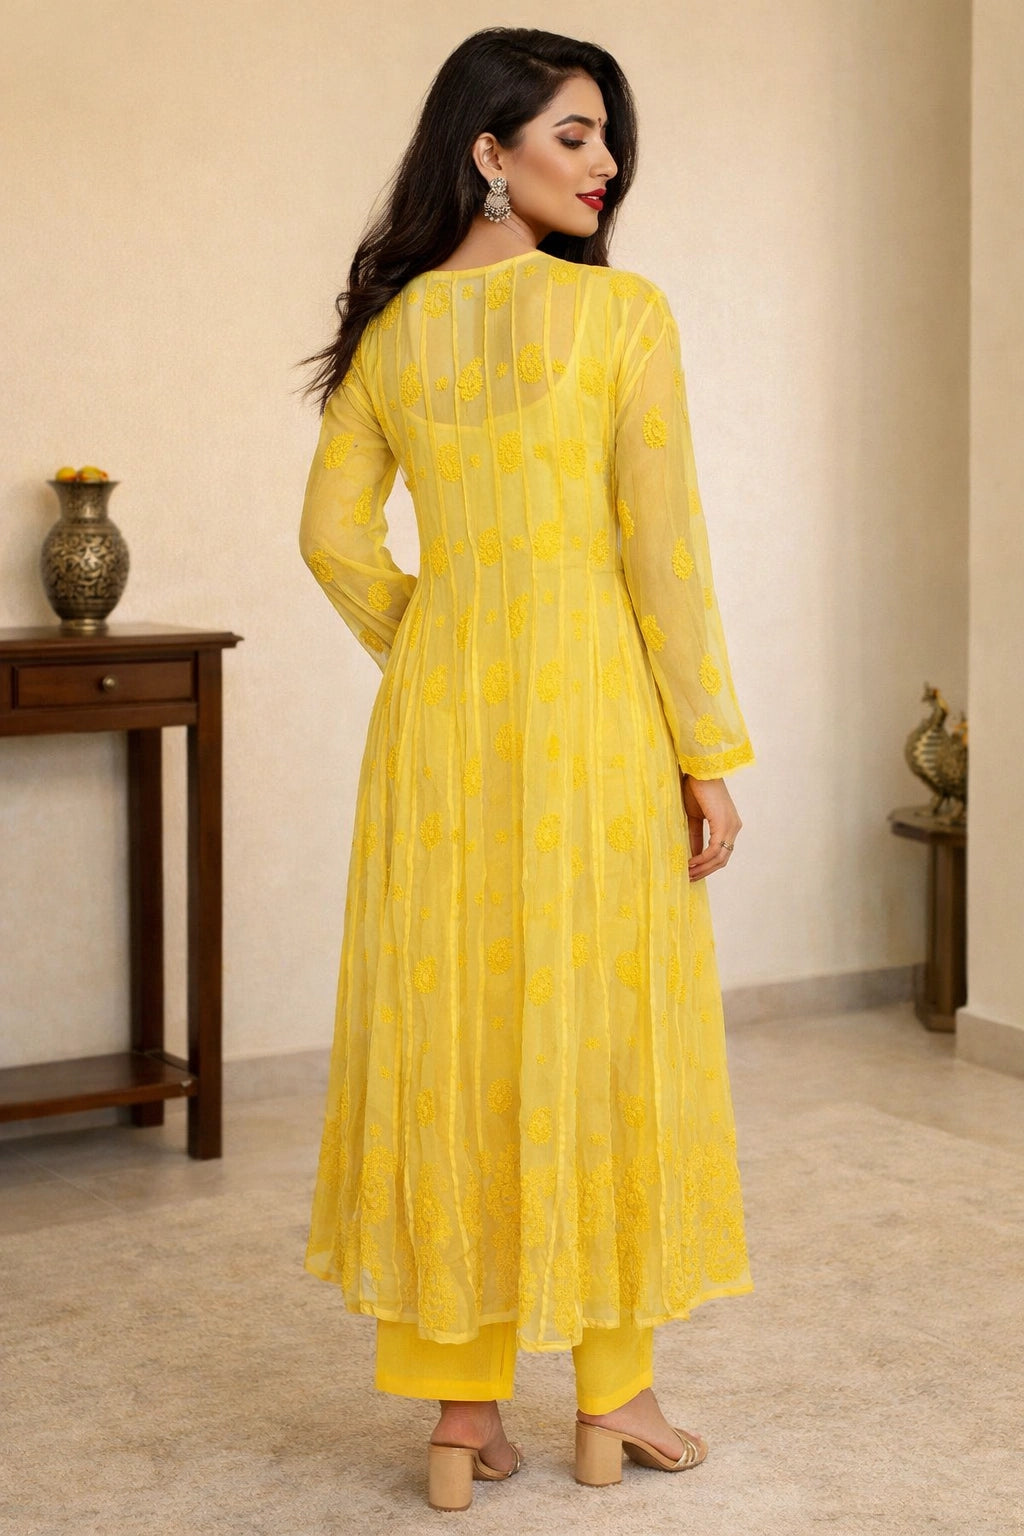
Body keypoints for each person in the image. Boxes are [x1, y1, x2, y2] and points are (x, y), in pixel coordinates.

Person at [297, 26, 755, 1514]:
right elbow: (662, 555)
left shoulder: (391, 337)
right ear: (485, 153)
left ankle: (459, 1417)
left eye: (607, 137)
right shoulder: (622, 317)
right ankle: (614, 1400)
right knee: (605, 1033)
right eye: (573, 134)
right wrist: (706, 752)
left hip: (437, 731)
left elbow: (332, 541)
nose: (605, 162)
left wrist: (433, 644)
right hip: (598, 722)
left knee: (454, 1035)